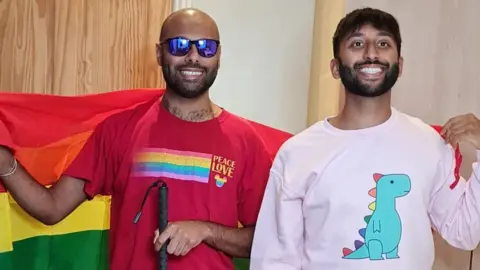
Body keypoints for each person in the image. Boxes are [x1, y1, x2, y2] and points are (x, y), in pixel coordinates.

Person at [0, 8, 273, 270]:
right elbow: (52, 208)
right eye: (179, 45)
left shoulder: (245, 141)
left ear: (219, 55)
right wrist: (4, 163)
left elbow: (266, 241)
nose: (193, 56)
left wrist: (205, 230)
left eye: (206, 47)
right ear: (159, 52)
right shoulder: (119, 130)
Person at [249, 7, 480, 270]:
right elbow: (275, 260)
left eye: (383, 43)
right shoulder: (297, 153)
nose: (371, 53)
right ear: (335, 68)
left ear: (399, 65)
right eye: (357, 44)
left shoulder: (430, 144)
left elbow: (465, 232)